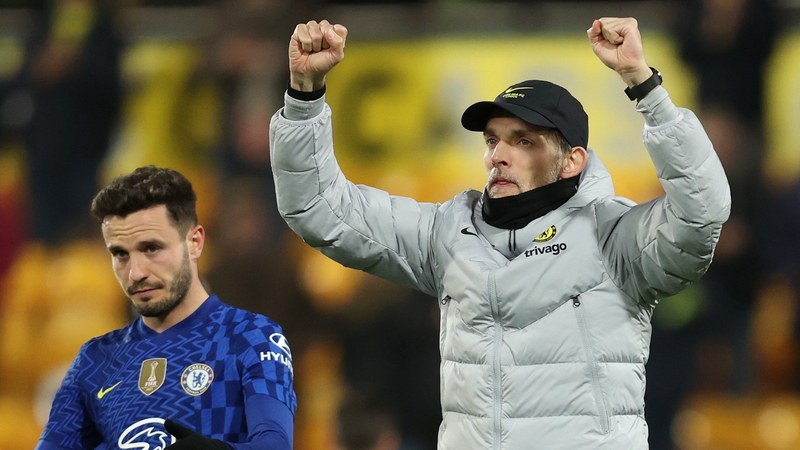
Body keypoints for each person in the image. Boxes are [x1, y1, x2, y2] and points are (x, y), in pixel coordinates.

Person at [270, 16, 730, 449]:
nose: (498, 156)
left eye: (523, 141)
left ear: (572, 161)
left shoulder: (615, 236)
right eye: (493, 140)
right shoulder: (448, 233)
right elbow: (319, 208)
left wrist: (645, 86)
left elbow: (703, 212)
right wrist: (305, 96)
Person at [35, 166, 297, 449]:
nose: (136, 272)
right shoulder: (95, 361)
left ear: (194, 242)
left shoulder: (249, 336)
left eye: (151, 249)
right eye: (120, 254)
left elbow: (275, 443)